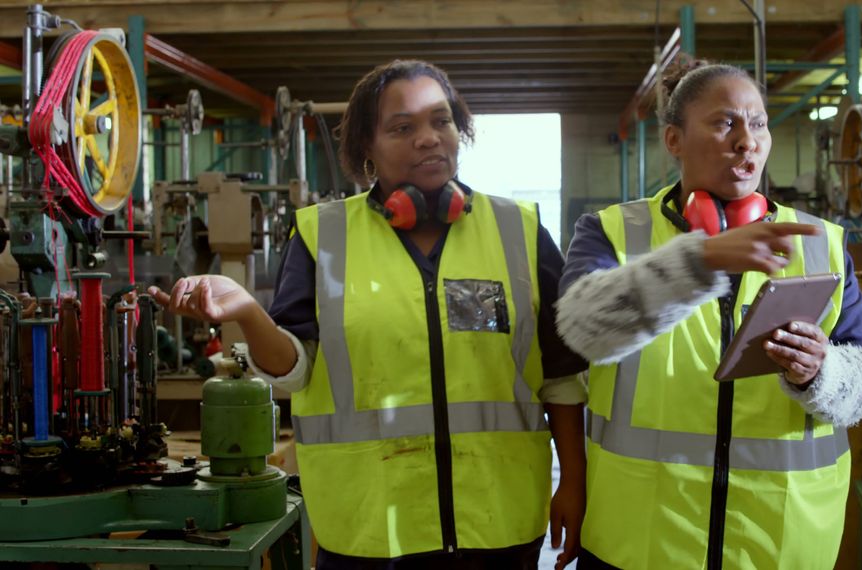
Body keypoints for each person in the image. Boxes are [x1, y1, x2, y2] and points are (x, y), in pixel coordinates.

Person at [150, 60, 587, 570]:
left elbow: (561, 376)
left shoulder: (518, 231)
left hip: (496, 523)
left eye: (441, 121)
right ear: (366, 151)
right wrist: (247, 311)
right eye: (403, 127)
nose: (428, 138)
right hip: (369, 529)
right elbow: (295, 366)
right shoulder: (323, 236)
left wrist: (574, 483)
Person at [555, 58, 862, 570]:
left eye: (757, 124)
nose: (746, 141)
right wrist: (698, 260)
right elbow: (582, 329)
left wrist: (822, 373)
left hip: (779, 545)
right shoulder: (612, 233)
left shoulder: (821, 242)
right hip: (642, 543)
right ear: (673, 140)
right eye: (724, 122)